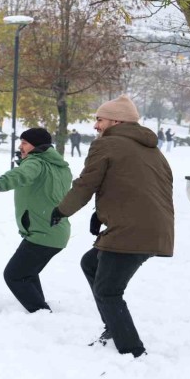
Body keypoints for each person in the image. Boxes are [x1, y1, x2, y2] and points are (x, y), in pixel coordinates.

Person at [50, 94, 173, 358]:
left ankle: (131, 350)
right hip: (153, 228)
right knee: (91, 263)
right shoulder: (152, 149)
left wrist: (62, 210)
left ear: (116, 121)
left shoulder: (107, 145)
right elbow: (133, 186)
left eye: (100, 120)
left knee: (108, 290)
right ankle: (113, 328)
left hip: (131, 230)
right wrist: (101, 212)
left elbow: (86, 183)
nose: (96, 126)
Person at [0, 128, 72, 313]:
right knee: (27, 273)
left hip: (42, 233)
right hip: (56, 230)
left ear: (37, 146)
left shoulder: (35, 163)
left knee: (14, 275)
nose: (21, 146)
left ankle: (41, 312)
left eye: (25, 143)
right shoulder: (61, 168)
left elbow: (20, 175)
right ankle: (42, 312)